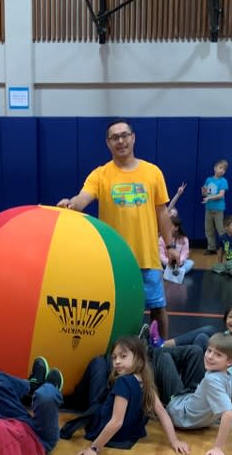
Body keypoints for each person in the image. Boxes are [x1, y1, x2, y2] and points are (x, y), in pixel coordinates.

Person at [57, 119, 179, 338]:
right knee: (115, 310)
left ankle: (162, 350)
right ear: (108, 143)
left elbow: (162, 212)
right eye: (114, 137)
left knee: (158, 308)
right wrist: (71, 204)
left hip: (147, 256)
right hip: (114, 260)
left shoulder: (152, 172)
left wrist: (170, 246)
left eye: (124, 135)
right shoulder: (100, 174)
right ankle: (119, 352)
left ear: (133, 138)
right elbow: (83, 197)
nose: (120, 141)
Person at [71, 337, 189, 455]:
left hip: (113, 434)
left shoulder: (123, 382)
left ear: (138, 359)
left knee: (97, 364)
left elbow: (116, 422)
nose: (117, 361)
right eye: (114, 357)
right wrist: (174, 441)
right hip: (130, 435)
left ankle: (71, 399)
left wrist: (94, 448)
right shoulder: (145, 381)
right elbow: (162, 412)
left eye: (123, 356)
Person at [202, 159, 229, 254]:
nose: (222, 170)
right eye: (220, 168)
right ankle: (211, 248)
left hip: (218, 209)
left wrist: (209, 198)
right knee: (208, 229)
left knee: (221, 229)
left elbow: (221, 195)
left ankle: (225, 248)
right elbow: (205, 193)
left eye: (224, 169)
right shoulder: (208, 180)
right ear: (215, 168)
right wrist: (204, 192)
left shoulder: (223, 181)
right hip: (209, 208)